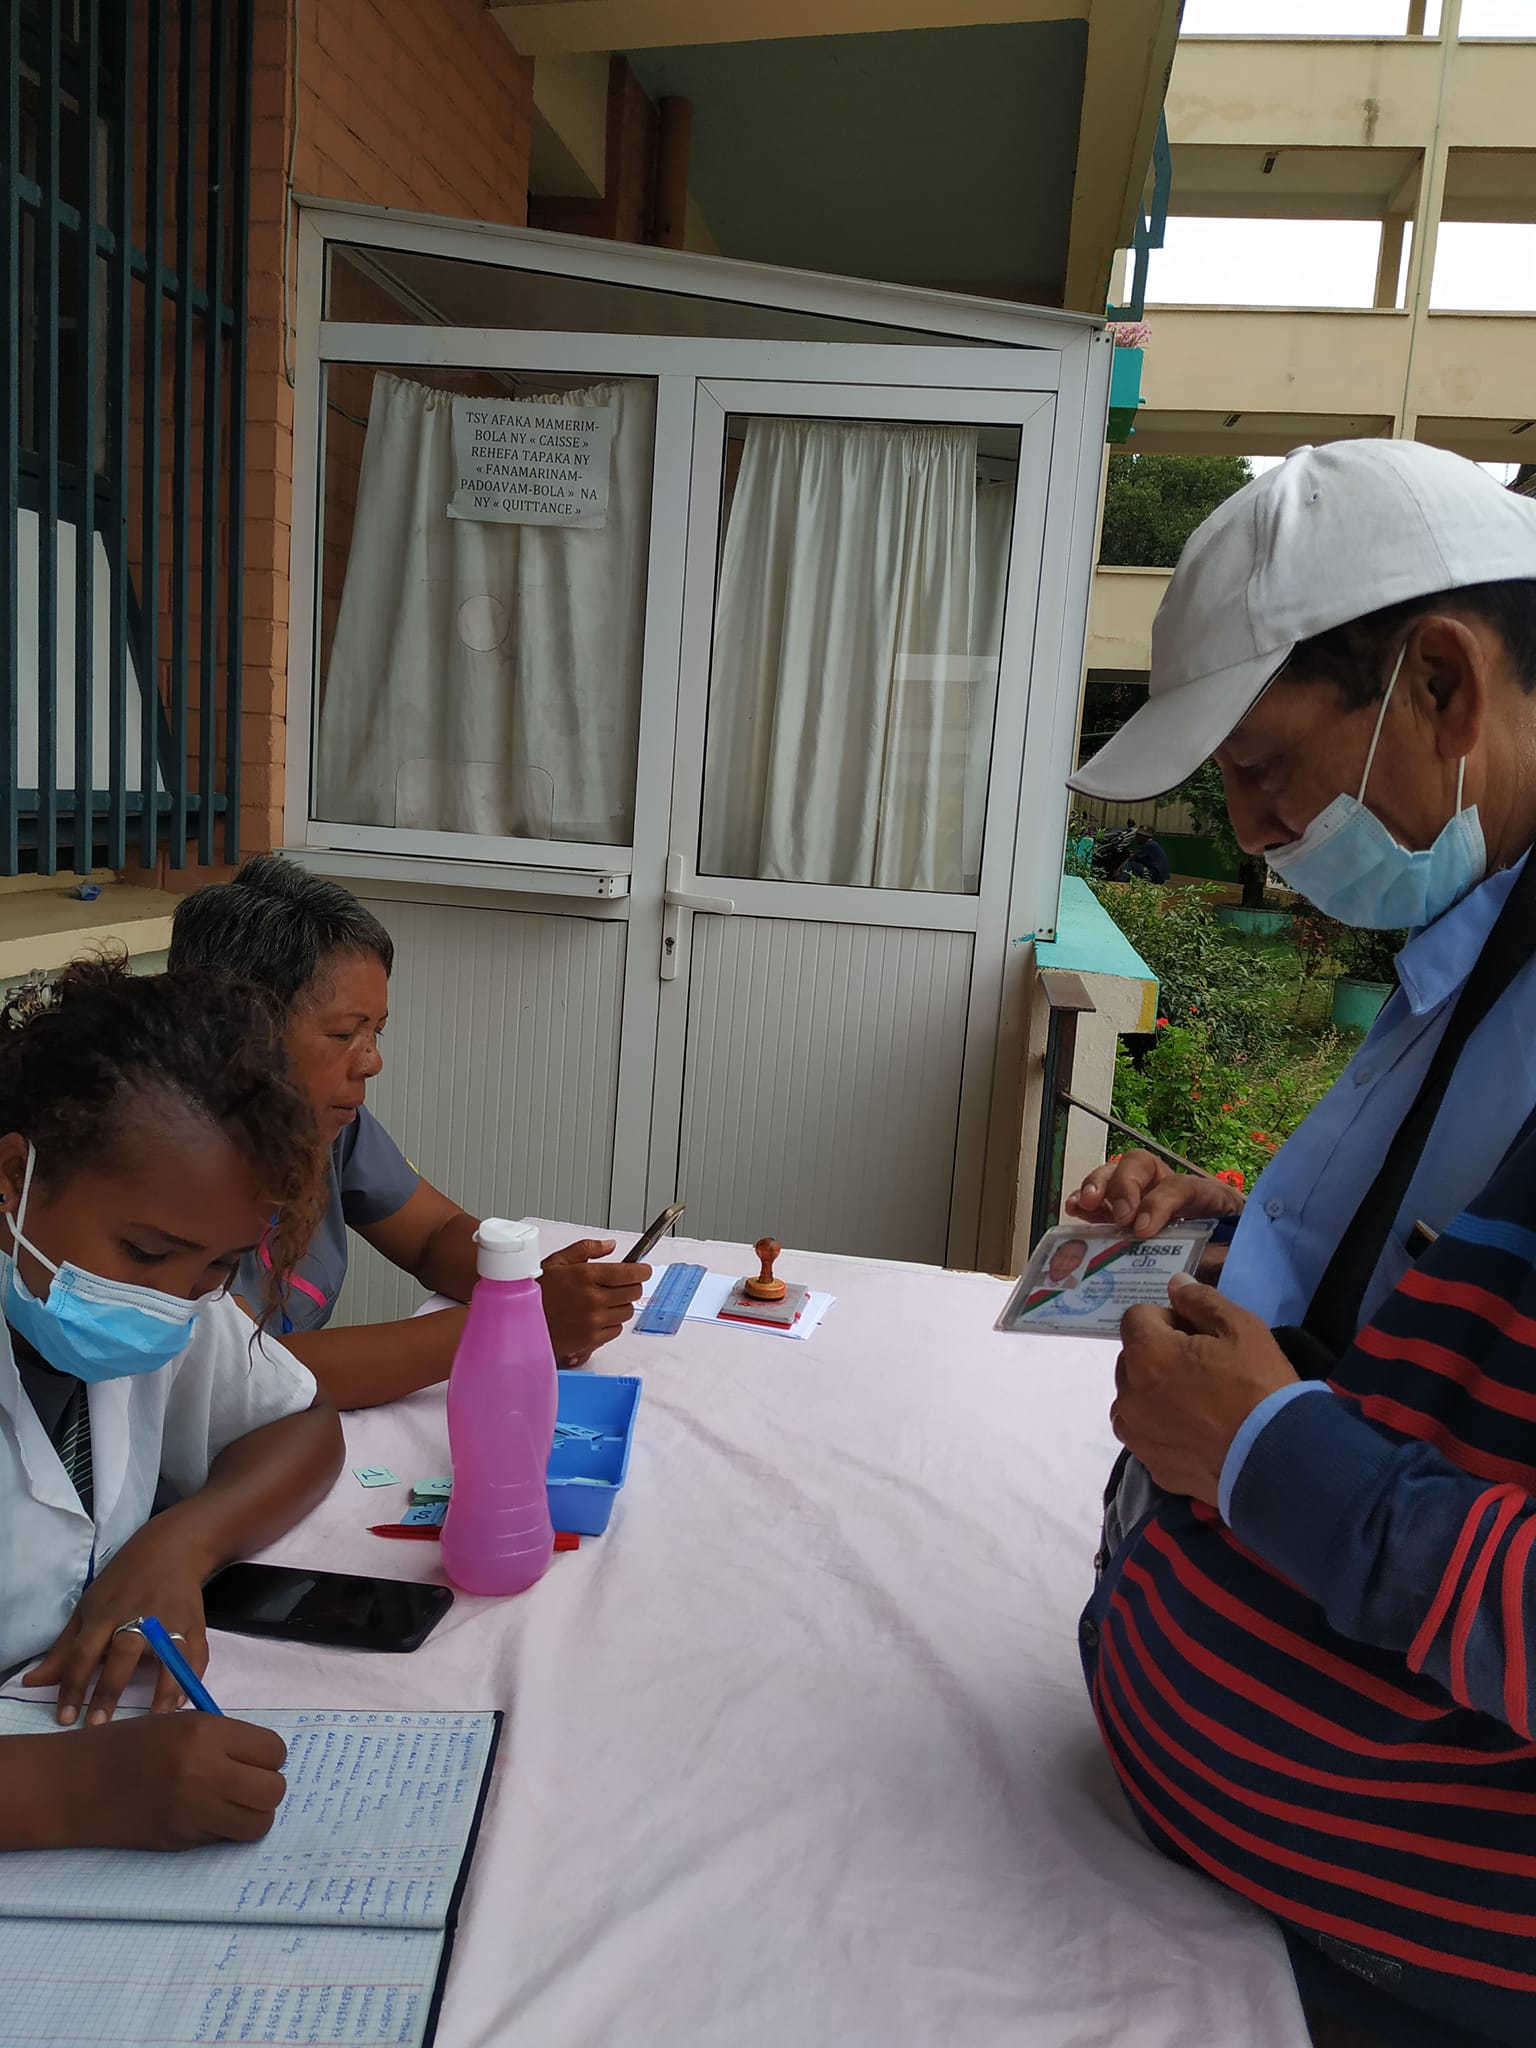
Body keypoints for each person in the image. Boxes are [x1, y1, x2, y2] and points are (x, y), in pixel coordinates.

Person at [1067, 441, 1536, 1337]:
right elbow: (1413, 1278)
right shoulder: (1473, 934)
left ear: (1441, 686)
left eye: (1265, 762)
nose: (1249, 828)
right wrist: (1244, 1242)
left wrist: (1257, 1437)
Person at [1090, 1111, 1536, 2048]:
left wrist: (1268, 1453)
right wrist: (1240, 1249)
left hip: (1375, 1996)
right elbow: (1449, 1362)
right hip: (1152, 1851)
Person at [0, 960, 343, 1852]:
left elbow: (299, 1424)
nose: (175, 1300)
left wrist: (179, 1544)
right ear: (12, 1178)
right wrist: (69, 1795)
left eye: (220, 1267)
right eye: (145, 1250)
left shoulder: (171, 1302)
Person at [168, 857, 649, 1408]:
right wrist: (511, 1324)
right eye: (347, 1033)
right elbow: (253, 1371)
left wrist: (523, 1288)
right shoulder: (164, 1160)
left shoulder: (326, 1127)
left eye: (376, 1031)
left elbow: (431, 1232)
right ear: (237, 1031)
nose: (372, 1061)